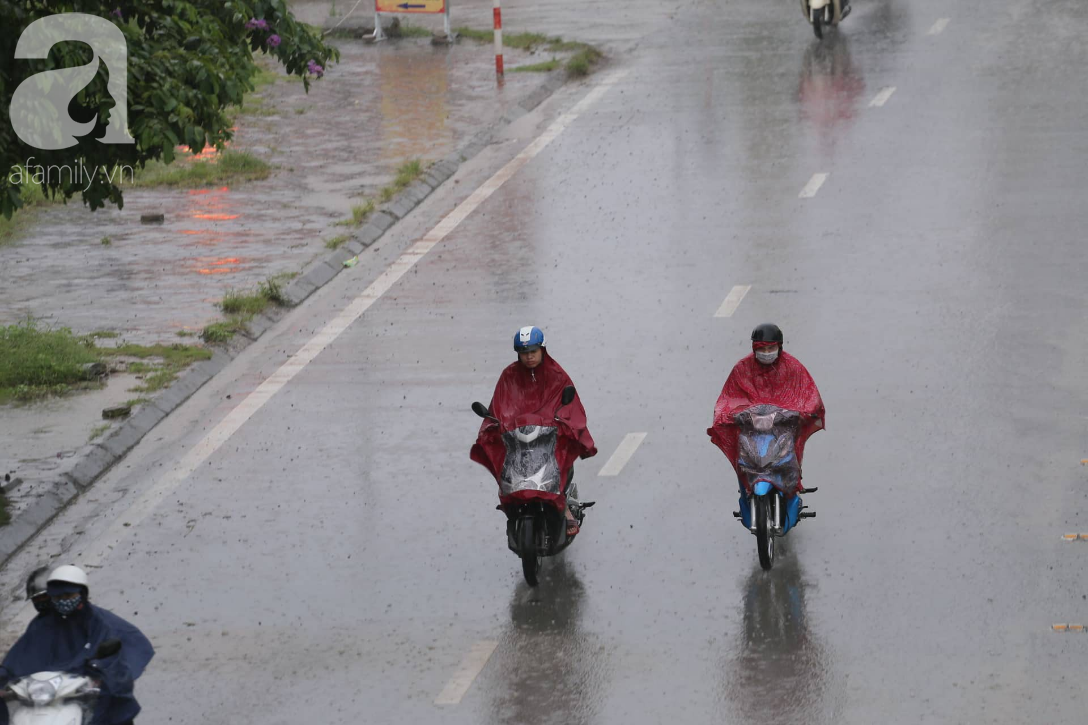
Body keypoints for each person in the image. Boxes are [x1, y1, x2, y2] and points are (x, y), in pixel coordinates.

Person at [471, 326, 596, 536]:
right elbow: (500, 405)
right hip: (520, 437)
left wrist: (563, 423)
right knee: (505, 464)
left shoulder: (556, 375)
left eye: (533, 352)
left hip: (549, 437)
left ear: (542, 350)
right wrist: (497, 424)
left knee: (560, 459)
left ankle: (564, 507)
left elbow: (569, 406)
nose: (528, 357)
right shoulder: (509, 376)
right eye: (524, 353)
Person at [0, 565, 155, 725]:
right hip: (50, 694)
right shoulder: (41, 625)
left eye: (68, 595)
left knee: (114, 708)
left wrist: (97, 671)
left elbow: (111, 662)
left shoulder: (98, 622)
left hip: (87, 691)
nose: (62, 601)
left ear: (81, 593)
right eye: (57, 597)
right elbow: (21, 656)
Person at [707, 323, 825, 521]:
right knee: (743, 464)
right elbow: (728, 399)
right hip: (751, 431)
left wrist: (805, 411)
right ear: (754, 348)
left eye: (771, 348)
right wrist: (726, 416)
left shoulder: (793, 367)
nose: (766, 353)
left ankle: (791, 491)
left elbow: (809, 394)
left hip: (783, 429)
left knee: (789, 461)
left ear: (779, 347)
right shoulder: (742, 369)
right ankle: (746, 492)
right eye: (762, 349)